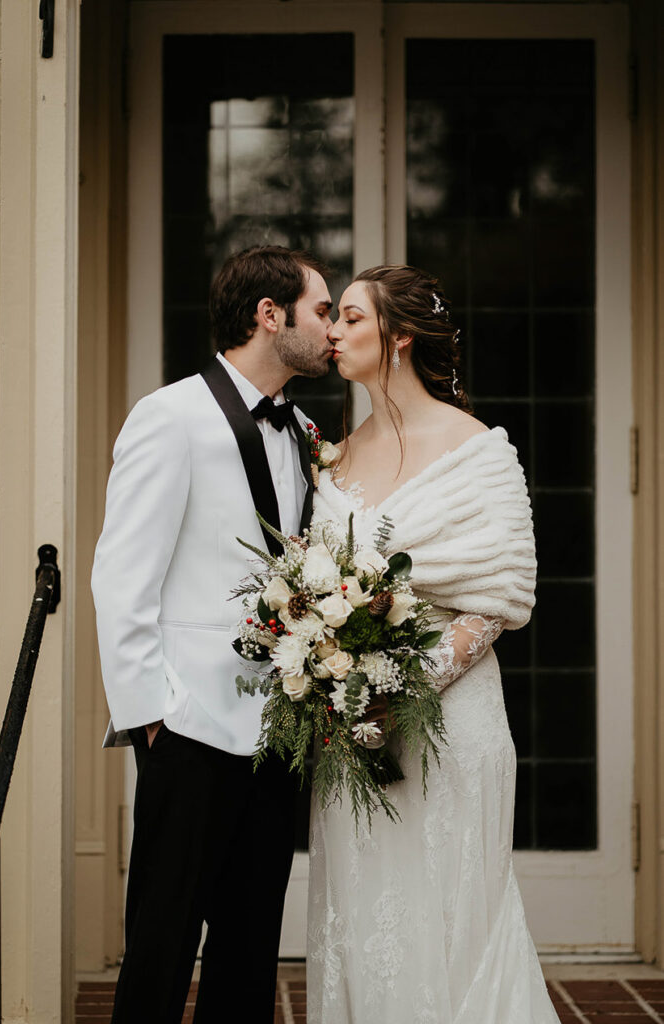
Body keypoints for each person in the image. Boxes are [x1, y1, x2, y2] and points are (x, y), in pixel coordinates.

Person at [307, 264, 559, 1023]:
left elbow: (502, 597)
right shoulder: (337, 455)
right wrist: (344, 686)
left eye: (350, 318)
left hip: (448, 724)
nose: (332, 331)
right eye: (332, 317)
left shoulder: (475, 447)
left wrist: (402, 687)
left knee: (454, 914)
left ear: (400, 337)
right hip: (351, 733)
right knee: (364, 913)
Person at [91, 245, 334, 1024]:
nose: (331, 329)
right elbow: (121, 575)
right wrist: (150, 715)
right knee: (161, 944)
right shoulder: (169, 415)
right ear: (271, 316)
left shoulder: (300, 427)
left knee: (248, 947)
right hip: (188, 728)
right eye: (321, 310)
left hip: (276, 730)